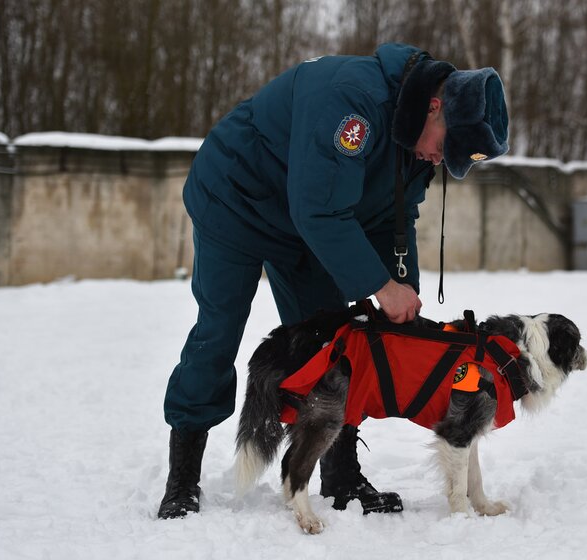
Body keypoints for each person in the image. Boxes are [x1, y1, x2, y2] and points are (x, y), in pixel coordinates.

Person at [158, 42, 509, 519]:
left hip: (307, 226)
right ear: (435, 106)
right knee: (218, 331)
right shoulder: (352, 102)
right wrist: (381, 287)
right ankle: (182, 479)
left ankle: (340, 476)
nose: (438, 161)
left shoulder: (414, 137)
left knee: (335, 345)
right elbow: (318, 210)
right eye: (445, 149)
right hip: (236, 202)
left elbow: (395, 217)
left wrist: (402, 288)